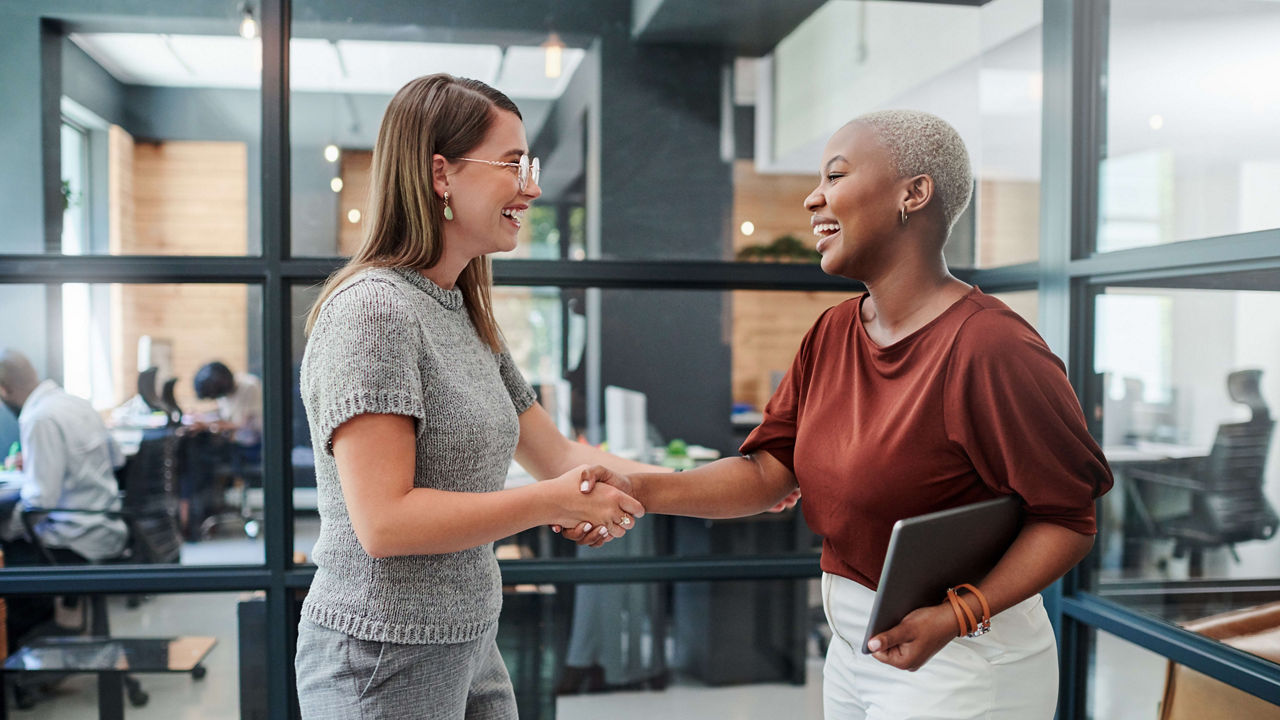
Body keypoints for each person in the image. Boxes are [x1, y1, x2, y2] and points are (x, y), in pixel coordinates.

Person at [579, 110, 1114, 719]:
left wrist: (955, 616)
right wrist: (638, 488)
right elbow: (767, 473)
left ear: (914, 193)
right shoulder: (833, 331)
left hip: (964, 657)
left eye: (835, 176)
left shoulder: (993, 348)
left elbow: (1069, 518)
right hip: (854, 645)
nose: (813, 198)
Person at [294, 73, 665, 720]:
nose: (532, 186)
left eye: (532, 164)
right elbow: (384, 522)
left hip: (468, 640)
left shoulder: (463, 314)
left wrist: (732, 486)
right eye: (513, 163)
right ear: (441, 174)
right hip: (380, 656)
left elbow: (558, 456)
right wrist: (548, 503)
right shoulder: (373, 312)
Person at [0, 349, 127, 649]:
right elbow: (118, 460)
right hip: (109, 526)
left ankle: (22, 659)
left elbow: (39, 503)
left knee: (8, 558)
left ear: (4, 391)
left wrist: (5, 528)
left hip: (76, 537)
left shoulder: (38, 418)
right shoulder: (76, 403)